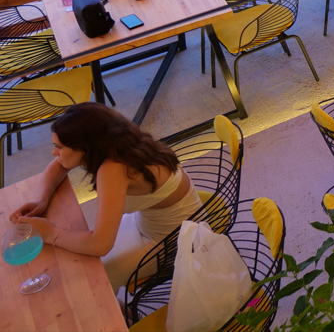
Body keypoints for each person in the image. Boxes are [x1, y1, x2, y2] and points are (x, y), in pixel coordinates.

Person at [9, 103, 202, 290]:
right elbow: (59, 164)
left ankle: (120, 313)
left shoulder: (114, 169)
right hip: (162, 221)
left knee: (91, 278)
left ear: (86, 148)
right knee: (77, 255)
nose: (54, 152)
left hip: (178, 239)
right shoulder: (121, 141)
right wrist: (41, 199)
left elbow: (100, 245)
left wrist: (50, 233)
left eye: (59, 147)